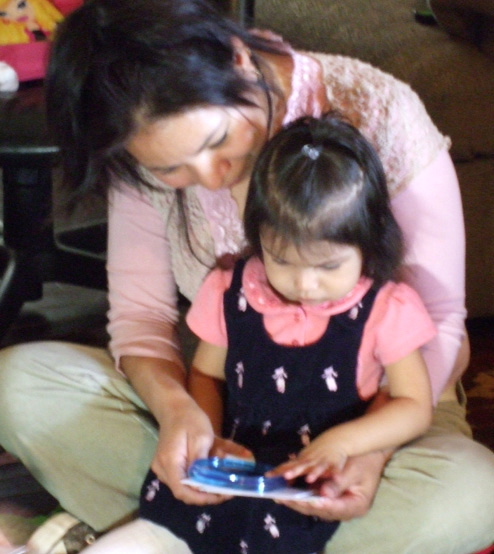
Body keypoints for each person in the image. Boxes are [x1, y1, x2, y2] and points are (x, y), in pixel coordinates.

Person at [0, 0, 492, 552]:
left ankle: (163, 534)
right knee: (17, 383)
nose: (208, 178)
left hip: (382, 423)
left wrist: (365, 452)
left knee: (474, 492)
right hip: (231, 424)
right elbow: (142, 321)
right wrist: (180, 416)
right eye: (171, 169)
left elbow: (443, 322)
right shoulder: (136, 146)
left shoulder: (380, 110)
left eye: (214, 143)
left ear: (237, 57)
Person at [81, 113, 436, 554]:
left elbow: (415, 406)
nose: (304, 284)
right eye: (282, 260)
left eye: (328, 266)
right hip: (237, 464)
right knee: (160, 528)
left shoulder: (386, 308)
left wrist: (346, 444)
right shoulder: (232, 290)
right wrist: (208, 441)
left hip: (316, 481)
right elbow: (207, 377)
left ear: (370, 242)